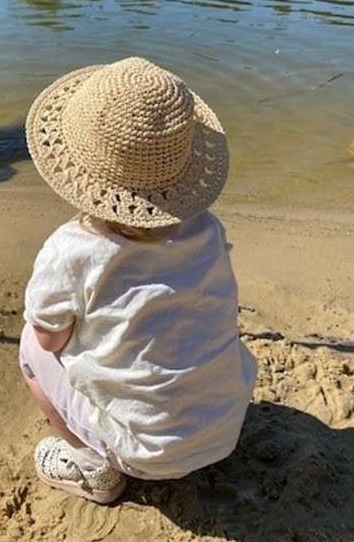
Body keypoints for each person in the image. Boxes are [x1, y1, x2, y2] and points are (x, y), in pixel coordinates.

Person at [19, 57, 257, 504]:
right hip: (224, 429)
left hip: (143, 452)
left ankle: (93, 468)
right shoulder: (208, 231)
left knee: (31, 347)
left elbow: (50, 340)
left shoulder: (71, 249)